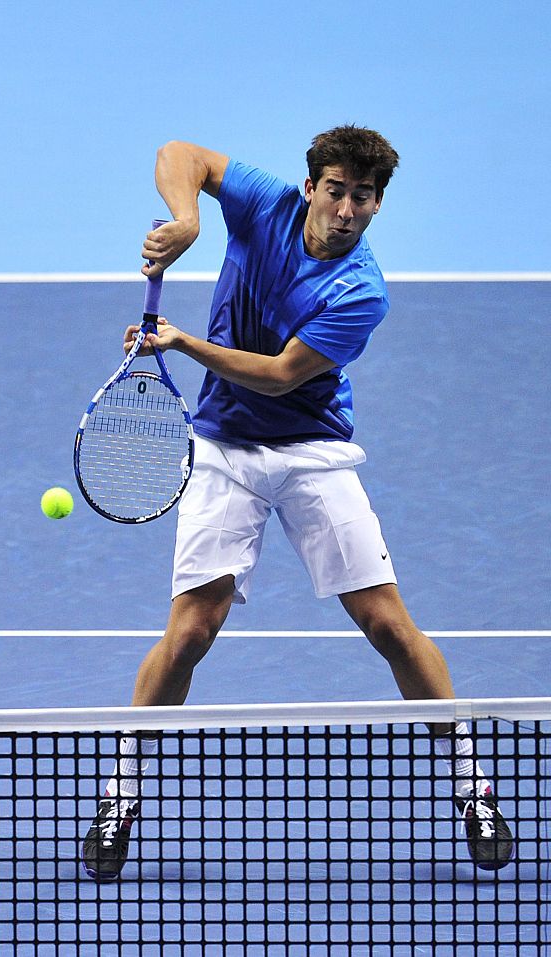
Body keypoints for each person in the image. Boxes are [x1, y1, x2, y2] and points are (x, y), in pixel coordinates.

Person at [79, 127, 514, 879]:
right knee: (188, 635)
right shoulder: (262, 203)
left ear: (378, 205)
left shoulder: (359, 291)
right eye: (337, 189)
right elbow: (180, 153)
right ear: (311, 186)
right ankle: (121, 794)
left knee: (388, 624)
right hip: (224, 449)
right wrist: (186, 218)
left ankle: (472, 786)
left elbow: (280, 376)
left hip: (312, 452)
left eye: (364, 197)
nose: (347, 209)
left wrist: (180, 343)